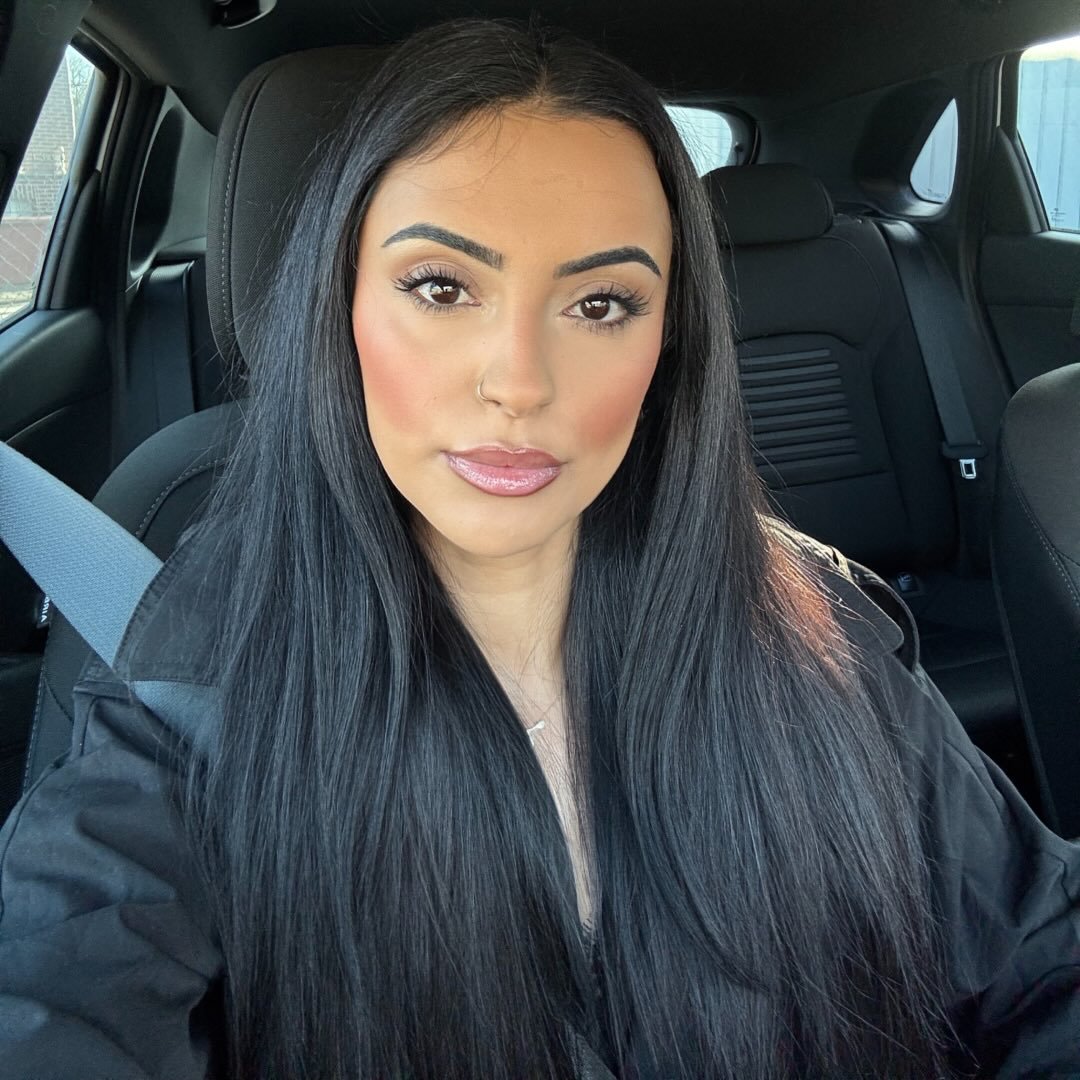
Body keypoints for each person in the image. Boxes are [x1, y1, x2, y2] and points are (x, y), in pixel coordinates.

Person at [1, 17, 1078, 1080]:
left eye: (601, 303)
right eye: (440, 287)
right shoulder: (191, 695)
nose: (518, 381)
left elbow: (1047, 966)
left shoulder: (817, 631)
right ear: (340, 303)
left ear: (669, 343)